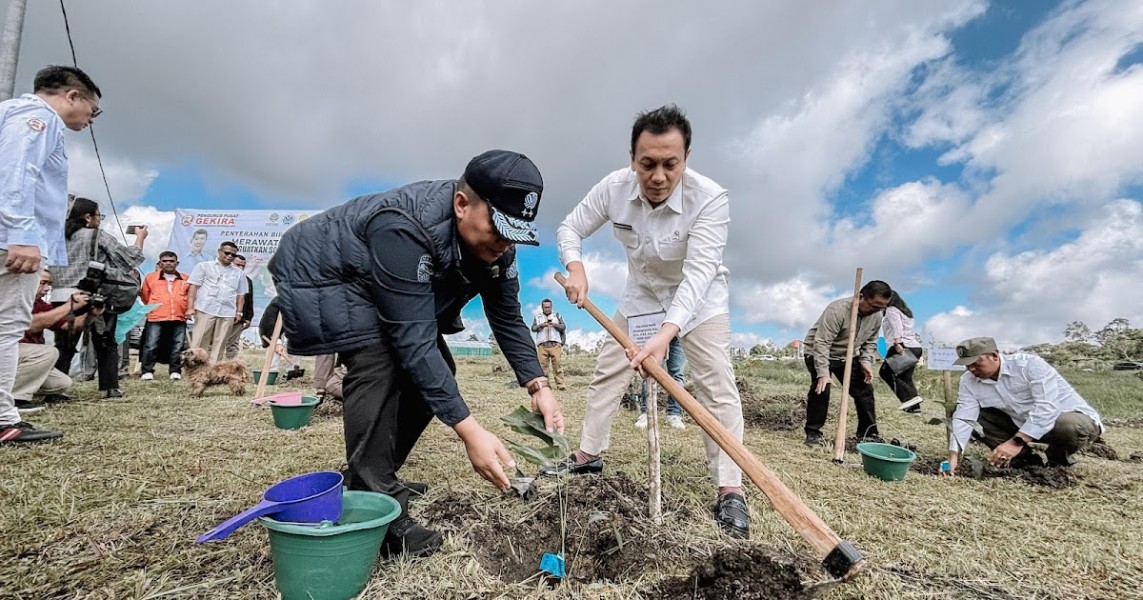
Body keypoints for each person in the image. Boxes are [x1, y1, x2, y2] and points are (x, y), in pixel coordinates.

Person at [270, 149, 564, 558]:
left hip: (378, 283)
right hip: (330, 276)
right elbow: (411, 339)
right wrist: (469, 431)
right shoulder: (404, 229)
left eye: (516, 231)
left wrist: (538, 384)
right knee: (381, 361)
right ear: (462, 204)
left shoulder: (499, 248)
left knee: (438, 367)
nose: (506, 241)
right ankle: (379, 510)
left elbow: (508, 316)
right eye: (499, 227)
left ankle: (373, 477)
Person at [548, 105, 749, 539]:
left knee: (717, 387)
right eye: (647, 164)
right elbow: (569, 227)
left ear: (686, 157)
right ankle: (588, 455)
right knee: (608, 372)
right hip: (641, 296)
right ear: (632, 157)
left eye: (669, 164)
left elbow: (698, 276)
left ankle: (730, 487)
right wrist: (576, 266)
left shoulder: (711, 199)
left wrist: (665, 336)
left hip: (699, 303)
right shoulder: (613, 188)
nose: (658, 176)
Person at [1, 65, 100, 443]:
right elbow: (15, 172)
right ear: (73, 95)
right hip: (11, 239)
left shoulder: (13, 112)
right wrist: (23, 235)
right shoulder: (39, 118)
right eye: (93, 109)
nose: (92, 119)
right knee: (7, 327)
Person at [944, 337, 1104, 474]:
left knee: (1068, 425)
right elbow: (964, 417)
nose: (971, 369)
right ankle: (1025, 461)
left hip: (1070, 422)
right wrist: (953, 457)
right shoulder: (968, 380)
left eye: (975, 363)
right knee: (965, 413)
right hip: (1021, 423)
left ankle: (1059, 463)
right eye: (966, 365)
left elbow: (1047, 408)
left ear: (993, 356)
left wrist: (1015, 443)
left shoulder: (1030, 366)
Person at [52, 197, 146, 399]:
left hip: (61, 297)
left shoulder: (57, 236)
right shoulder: (96, 235)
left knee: (64, 346)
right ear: (88, 217)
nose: (100, 220)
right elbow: (128, 259)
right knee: (105, 342)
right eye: (98, 216)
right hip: (92, 295)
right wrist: (140, 238)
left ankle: (55, 390)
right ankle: (109, 387)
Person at [802, 280, 893, 447]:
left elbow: (871, 340)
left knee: (864, 391)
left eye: (882, 308)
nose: (878, 311)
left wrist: (865, 361)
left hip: (848, 355)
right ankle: (813, 434)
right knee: (821, 389)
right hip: (818, 351)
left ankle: (868, 434)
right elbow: (821, 342)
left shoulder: (877, 315)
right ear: (860, 297)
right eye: (874, 306)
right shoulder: (837, 310)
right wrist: (823, 373)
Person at [13, 269, 82, 413]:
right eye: (42, 283)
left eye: (48, 284)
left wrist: (91, 313)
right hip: (9, 354)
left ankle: (19, 389)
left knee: (62, 383)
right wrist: (68, 306)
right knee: (48, 352)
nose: (46, 289)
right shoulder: (13, 300)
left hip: (20, 358)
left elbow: (67, 325)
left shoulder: (39, 304)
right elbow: (33, 324)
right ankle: (15, 400)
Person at [186, 241, 248, 362]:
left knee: (220, 343)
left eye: (233, 255)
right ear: (219, 251)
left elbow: (241, 294)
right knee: (199, 340)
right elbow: (193, 287)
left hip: (227, 312)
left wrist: (239, 312)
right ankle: (195, 369)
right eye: (227, 253)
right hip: (206, 308)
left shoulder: (239, 273)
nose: (230, 256)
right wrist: (190, 307)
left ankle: (213, 370)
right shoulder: (204, 266)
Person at [138, 251, 190, 380]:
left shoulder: (185, 278)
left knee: (177, 345)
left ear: (177, 263)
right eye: (165, 261)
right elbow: (145, 296)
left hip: (178, 316)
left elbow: (190, 296)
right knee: (151, 344)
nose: (168, 263)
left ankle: (175, 370)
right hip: (156, 316)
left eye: (171, 261)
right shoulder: (150, 278)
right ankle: (147, 371)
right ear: (160, 263)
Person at [878, 292, 924, 413]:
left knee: (885, 372)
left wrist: (898, 343)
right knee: (905, 377)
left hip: (902, 346)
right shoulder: (906, 312)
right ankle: (914, 408)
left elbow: (896, 327)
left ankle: (909, 398)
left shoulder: (891, 310)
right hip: (915, 347)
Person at [634, 335, 686, 430]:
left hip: (678, 335)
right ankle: (646, 413)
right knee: (651, 371)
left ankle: (674, 414)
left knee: (677, 375)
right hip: (657, 333)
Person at [222, 254, 254, 360]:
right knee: (213, 343)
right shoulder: (221, 277)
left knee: (233, 344)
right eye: (237, 265)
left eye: (243, 266)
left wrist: (248, 318)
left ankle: (231, 369)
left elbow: (249, 301)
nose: (240, 268)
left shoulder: (247, 281)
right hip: (220, 315)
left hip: (238, 319)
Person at [531, 298, 567, 390]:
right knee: (543, 368)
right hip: (542, 345)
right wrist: (541, 326)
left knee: (557, 366)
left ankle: (560, 385)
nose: (547, 309)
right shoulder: (537, 317)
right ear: (542, 307)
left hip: (555, 344)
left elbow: (563, 327)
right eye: (545, 307)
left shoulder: (557, 315)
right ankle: (546, 386)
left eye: (549, 307)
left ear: (551, 307)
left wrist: (555, 324)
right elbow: (533, 328)